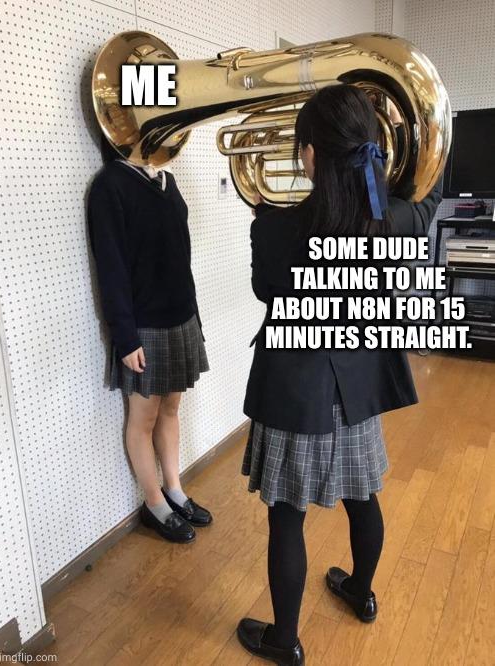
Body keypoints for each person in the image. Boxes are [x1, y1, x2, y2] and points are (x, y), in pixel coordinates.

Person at [237, 84, 442, 665]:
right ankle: (361, 592)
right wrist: (420, 144)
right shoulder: (396, 220)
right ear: (373, 150)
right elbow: (429, 194)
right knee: (362, 496)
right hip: (355, 391)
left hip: (293, 392)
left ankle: (285, 641)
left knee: (287, 518)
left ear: (308, 153)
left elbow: (265, 291)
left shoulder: (273, 226)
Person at [87, 136, 212, 545]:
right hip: (144, 327)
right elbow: (110, 268)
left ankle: (174, 490)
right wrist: (125, 337)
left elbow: (182, 257)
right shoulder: (109, 185)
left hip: (180, 317)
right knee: (143, 418)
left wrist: (195, 318)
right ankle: (154, 504)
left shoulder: (166, 181)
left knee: (171, 408)